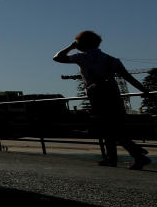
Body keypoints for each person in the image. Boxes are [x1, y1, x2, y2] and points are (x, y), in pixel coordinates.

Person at [53, 30, 152, 169]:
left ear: (83, 43)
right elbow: (129, 78)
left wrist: (70, 46)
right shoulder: (112, 60)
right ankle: (126, 154)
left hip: (98, 96)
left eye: (78, 41)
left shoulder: (82, 57)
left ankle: (133, 154)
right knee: (113, 127)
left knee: (107, 128)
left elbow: (57, 58)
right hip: (114, 95)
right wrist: (145, 91)